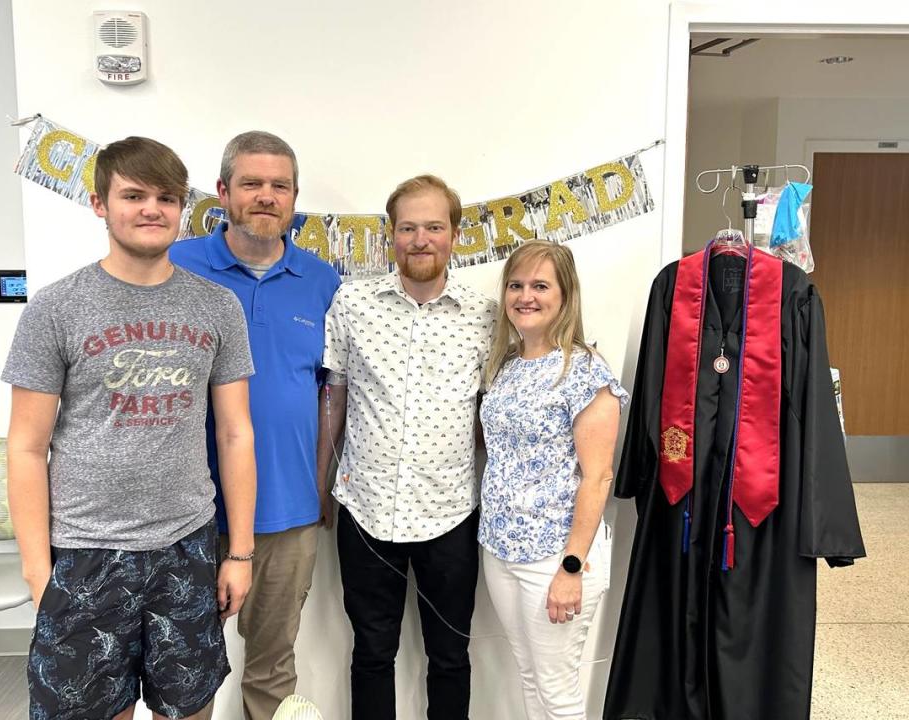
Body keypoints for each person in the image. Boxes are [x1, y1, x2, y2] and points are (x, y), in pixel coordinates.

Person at [3, 136, 257, 720]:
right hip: (84, 552)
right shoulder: (56, 307)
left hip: (186, 545)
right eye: (134, 195)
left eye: (166, 197)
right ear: (99, 204)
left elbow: (236, 433)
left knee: (190, 708)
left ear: (182, 209)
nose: (152, 209)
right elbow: (25, 446)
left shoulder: (217, 308)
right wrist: (39, 570)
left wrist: (238, 554)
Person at [603, 242, 865, 720]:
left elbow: (814, 406)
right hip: (683, 500)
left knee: (753, 630)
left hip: (766, 505)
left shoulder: (794, 293)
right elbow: (651, 384)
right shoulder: (672, 286)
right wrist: (642, 474)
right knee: (674, 631)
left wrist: (826, 519)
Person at [170, 131, 340, 719]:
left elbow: (332, 393)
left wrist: (323, 486)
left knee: (272, 667)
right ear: (222, 193)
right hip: (189, 511)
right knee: (185, 674)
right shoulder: (177, 265)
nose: (266, 196)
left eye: (279, 186)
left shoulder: (323, 281)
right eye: (251, 183)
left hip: (288, 511)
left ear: (295, 198)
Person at [318, 175, 496, 720]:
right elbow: (335, 394)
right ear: (390, 235)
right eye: (409, 227)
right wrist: (320, 484)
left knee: (450, 655)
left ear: (456, 235)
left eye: (434, 227)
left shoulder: (487, 315)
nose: (421, 239)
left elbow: (493, 413)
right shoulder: (353, 303)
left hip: (451, 513)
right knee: (371, 653)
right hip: (366, 508)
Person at [478, 240, 628, 719]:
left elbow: (598, 476)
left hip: (555, 557)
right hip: (500, 548)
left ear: (565, 296)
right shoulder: (505, 365)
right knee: (528, 673)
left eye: (541, 285)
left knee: (558, 691)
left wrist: (571, 568)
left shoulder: (584, 371)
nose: (526, 296)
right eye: (516, 285)